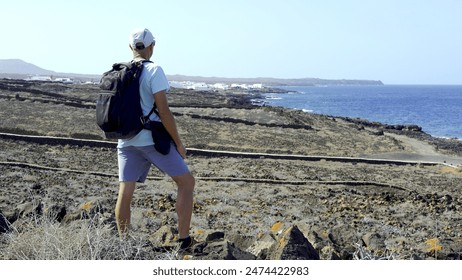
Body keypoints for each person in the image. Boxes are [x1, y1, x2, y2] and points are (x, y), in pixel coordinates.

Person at [115, 28, 195, 249]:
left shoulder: (120, 72)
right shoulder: (154, 70)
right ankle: (184, 240)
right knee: (186, 183)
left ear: (130, 48)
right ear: (152, 46)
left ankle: (125, 244)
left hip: (125, 140)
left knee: (126, 190)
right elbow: (164, 111)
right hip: (151, 140)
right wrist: (178, 142)